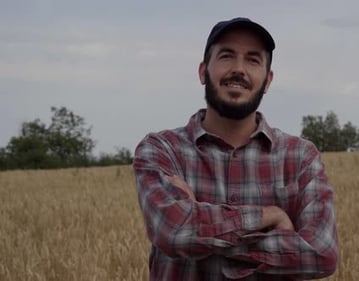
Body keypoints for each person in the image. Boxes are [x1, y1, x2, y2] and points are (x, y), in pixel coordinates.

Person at [133, 17, 338, 281]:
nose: (238, 69)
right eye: (227, 56)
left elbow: (322, 254)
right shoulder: (162, 149)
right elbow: (175, 230)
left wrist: (200, 226)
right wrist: (271, 217)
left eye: (253, 60)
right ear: (202, 71)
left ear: (267, 80)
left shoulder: (300, 157)